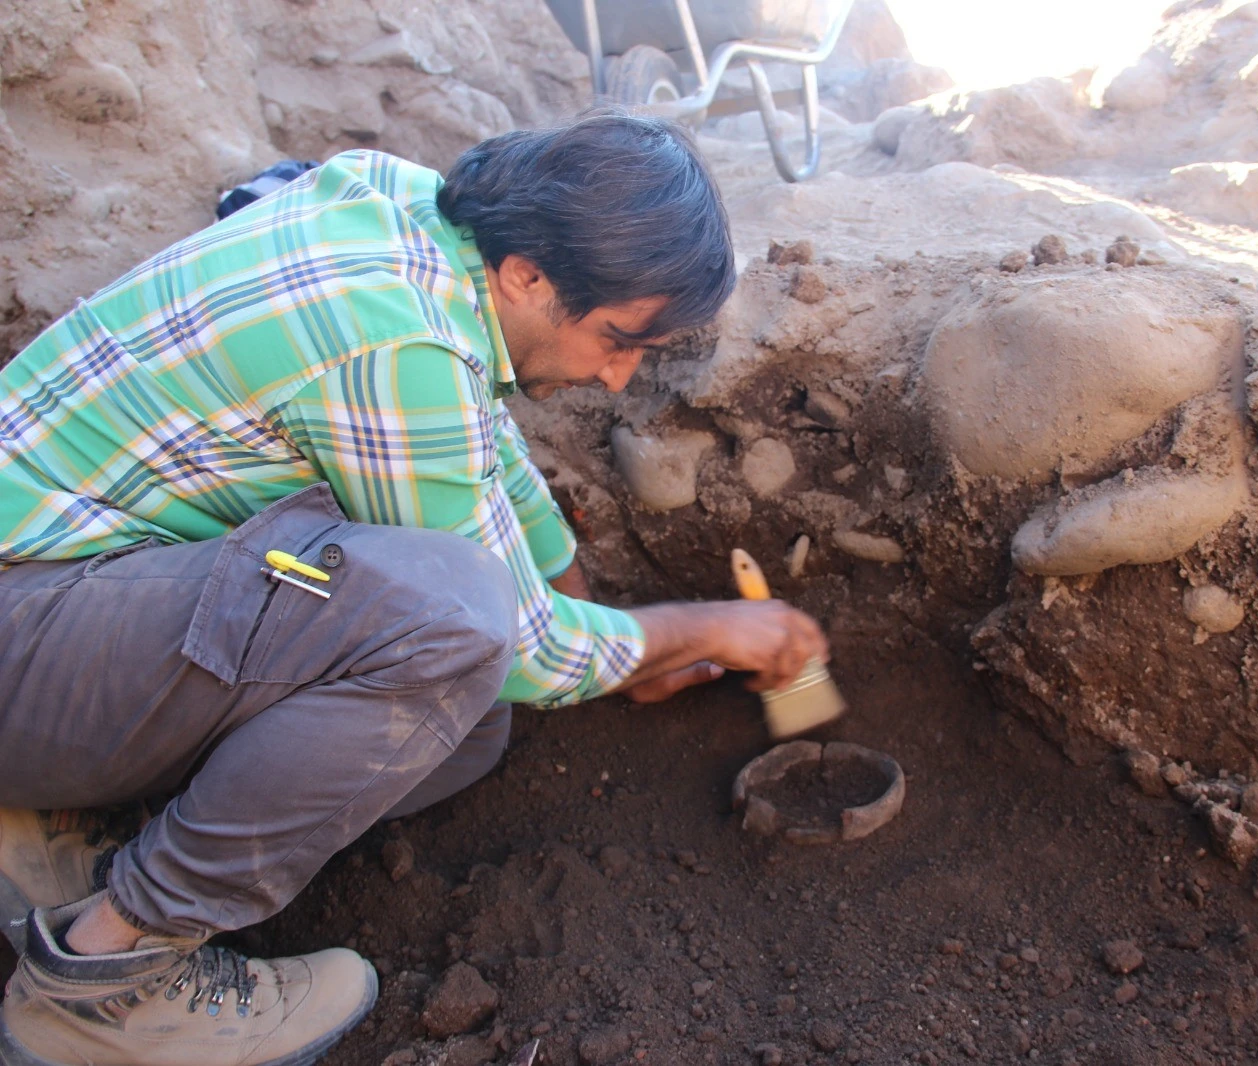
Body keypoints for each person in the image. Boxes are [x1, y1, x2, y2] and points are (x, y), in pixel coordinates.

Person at [0, 111, 827, 1066]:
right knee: (454, 627)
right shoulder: (395, 343)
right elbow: (520, 647)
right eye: (616, 340)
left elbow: (486, 453)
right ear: (528, 276)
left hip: (70, 595)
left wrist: (601, 613)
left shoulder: (406, 211)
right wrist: (696, 630)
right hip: (30, 616)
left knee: (461, 724)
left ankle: (66, 821)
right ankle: (105, 981)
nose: (616, 377)